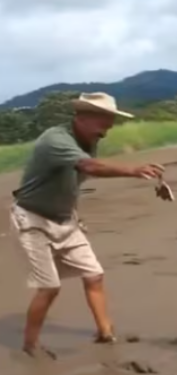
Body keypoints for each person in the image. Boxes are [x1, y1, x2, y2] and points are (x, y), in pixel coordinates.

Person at [9, 92, 165, 359]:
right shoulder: (55, 139)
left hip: (65, 218)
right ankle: (30, 346)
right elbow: (88, 167)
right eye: (104, 119)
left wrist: (73, 213)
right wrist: (132, 170)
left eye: (111, 119)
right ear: (82, 117)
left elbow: (74, 180)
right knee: (49, 287)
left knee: (94, 275)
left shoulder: (88, 139)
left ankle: (106, 333)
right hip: (32, 219)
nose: (109, 125)